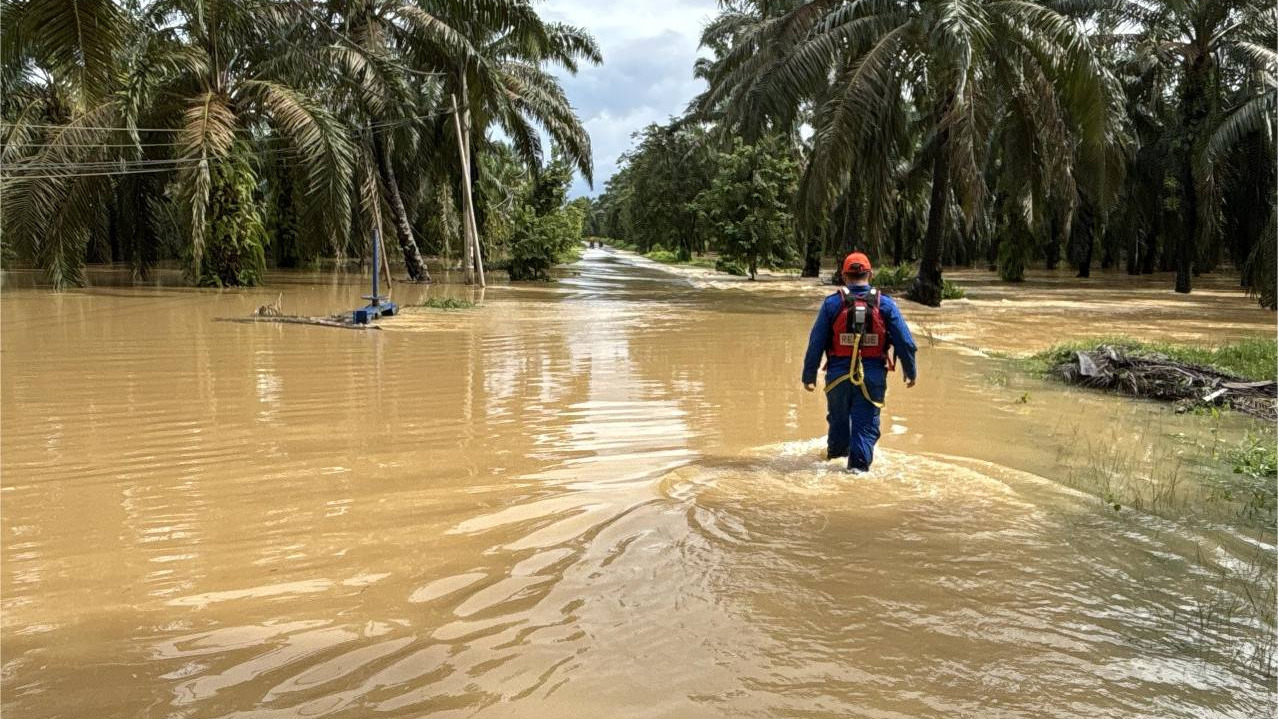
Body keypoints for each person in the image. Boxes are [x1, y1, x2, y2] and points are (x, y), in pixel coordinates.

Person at [802, 252, 918, 472]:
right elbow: (905, 341)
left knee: (838, 425)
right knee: (864, 428)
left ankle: (833, 467)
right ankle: (857, 476)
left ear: (844, 276)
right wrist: (910, 370)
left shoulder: (832, 304)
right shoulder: (886, 305)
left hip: (837, 378)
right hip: (871, 378)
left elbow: (815, 343)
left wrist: (808, 376)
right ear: (870, 274)